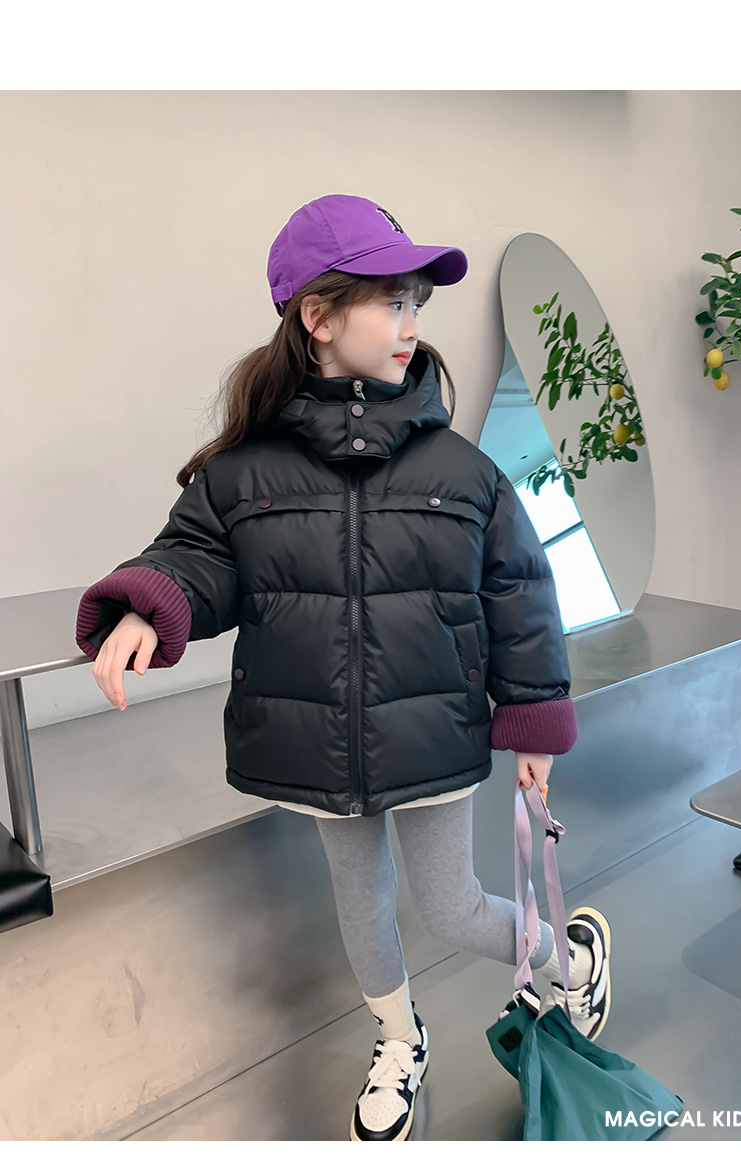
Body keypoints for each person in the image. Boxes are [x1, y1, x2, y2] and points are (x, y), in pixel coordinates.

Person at [75, 194, 611, 1143]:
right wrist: (143, 605)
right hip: (315, 739)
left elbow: (520, 590)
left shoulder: (461, 471)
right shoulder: (243, 473)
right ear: (318, 316)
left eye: (417, 304)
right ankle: (401, 1039)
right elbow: (194, 559)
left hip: (431, 728)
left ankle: (569, 961)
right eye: (393, 302)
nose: (412, 325)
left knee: (448, 908)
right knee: (361, 913)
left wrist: (533, 719)